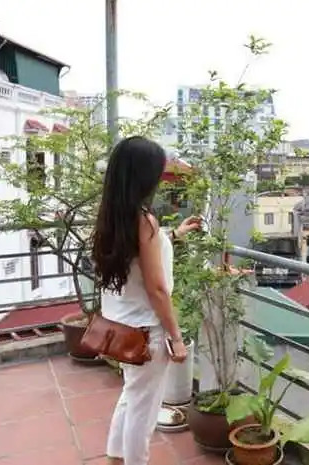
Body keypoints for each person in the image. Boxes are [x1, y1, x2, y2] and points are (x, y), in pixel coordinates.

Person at [91, 136, 202, 465]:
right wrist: (176, 337)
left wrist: (173, 236)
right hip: (146, 333)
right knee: (144, 410)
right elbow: (157, 288)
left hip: (120, 327)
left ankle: (115, 458)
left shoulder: (114, 216)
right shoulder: (144, 220)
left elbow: (138, 259)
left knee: (132, 397)